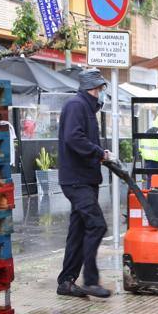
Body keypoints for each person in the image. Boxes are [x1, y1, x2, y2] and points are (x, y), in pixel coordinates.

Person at [56, 68, 113, 299]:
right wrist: (99, 153)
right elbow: (73, 138)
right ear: (93, 89)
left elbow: (82, 138)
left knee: (78, 231)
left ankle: (66, 282)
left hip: (85, 179)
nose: (102, 94)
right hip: (76, 180)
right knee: (97, 225)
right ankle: (90, 280)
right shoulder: (76, 106)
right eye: (101, 89)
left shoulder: (87, 108)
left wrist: (101, 154)